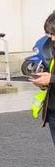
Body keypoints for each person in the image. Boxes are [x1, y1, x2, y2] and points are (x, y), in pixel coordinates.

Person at [29, 12, 55, 148]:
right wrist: (44, 82)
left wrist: (51, 78)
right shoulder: (52, 48)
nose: (52, 38)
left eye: (54, 34)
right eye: (49, 34)